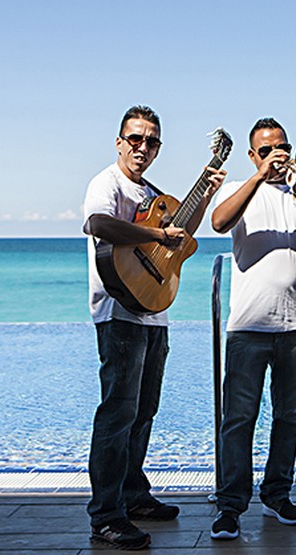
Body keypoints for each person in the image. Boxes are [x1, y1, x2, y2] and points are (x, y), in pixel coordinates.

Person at [83, 105, 226, 550]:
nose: (143, 147)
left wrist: (202, 196)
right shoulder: (107, 183)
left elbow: (180, 237)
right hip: (119, 312)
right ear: (120, 141)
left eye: (152, 141)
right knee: (117, 413)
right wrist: (154, 237)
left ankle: (134, 494)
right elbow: (97, 223)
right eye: (136, 139)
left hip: (155, 308)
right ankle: (106, 515)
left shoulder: (155, 193)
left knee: (144, 411)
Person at [209, 118, 296, 540]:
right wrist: (259, 178)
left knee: (289, 416)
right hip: (248, 326)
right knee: (239, 418)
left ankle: (277, 494)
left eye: (281, 147)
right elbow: (219, 222)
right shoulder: (240, 191)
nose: (276, 155)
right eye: (266, 150)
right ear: (253, 156)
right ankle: (230, 505)